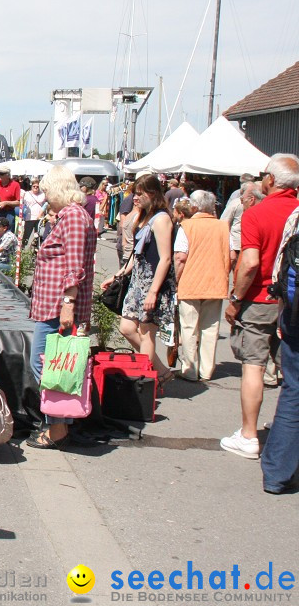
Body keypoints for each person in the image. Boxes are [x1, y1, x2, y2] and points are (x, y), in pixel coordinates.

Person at [220, 153, 299, 459]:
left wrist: (236, 299)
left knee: (253, 365)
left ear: (270, 179)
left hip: (259, 298)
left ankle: (249, 434)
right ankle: (285, 427)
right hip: (291, 301)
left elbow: (250, 263)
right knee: (289, 368)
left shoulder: (258, 213)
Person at [25, 166, 96, 449]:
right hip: (54, 304)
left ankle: (58, 427)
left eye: (46, 191)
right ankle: (57, 424)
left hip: (58, 305)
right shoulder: (71, 216)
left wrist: (68, 303)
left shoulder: (74, 218)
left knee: (46, 364)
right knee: (53, 364)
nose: (44, 197)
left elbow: (74, 266)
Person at [102, 174, 177, 384]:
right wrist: (117, 275)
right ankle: (160, 370)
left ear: (152, 194)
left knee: (146, 334)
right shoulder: (143, 217)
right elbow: (137, 255)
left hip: (154, 284)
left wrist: (153, 291)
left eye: (139, 194)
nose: (135, 198)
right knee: (126, 328)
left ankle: (145, 381)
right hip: (138, 282)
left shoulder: (161, 219)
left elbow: (165, 259)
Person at [173, 190, 231, 382]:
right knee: (210, 328)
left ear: (194, 206)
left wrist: (176, 280)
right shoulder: (223, 226)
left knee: (189, 327)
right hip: (215, 283)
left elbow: (180, 257)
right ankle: (207, 370)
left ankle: (190, 369)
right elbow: (231, 255)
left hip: (190, 282)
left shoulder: (187, 226)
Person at [261, 203, 299, 494]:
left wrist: (283, 311)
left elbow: (280, 267)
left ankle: (275, 473)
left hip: (294, 315)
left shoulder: (296, 215)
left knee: (293, 392)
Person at [20, 178, 47, 248]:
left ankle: (36, 248)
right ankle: (23, 248)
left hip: (39, 217)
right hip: (29, 217)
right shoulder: (26, 194)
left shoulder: (43, 194)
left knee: (38, 234)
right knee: (26, 234)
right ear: (31, 186)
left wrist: (41, 213)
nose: (36, 188)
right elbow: (21, 202)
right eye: (34, 186)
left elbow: (46, 204)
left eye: (37, 186)